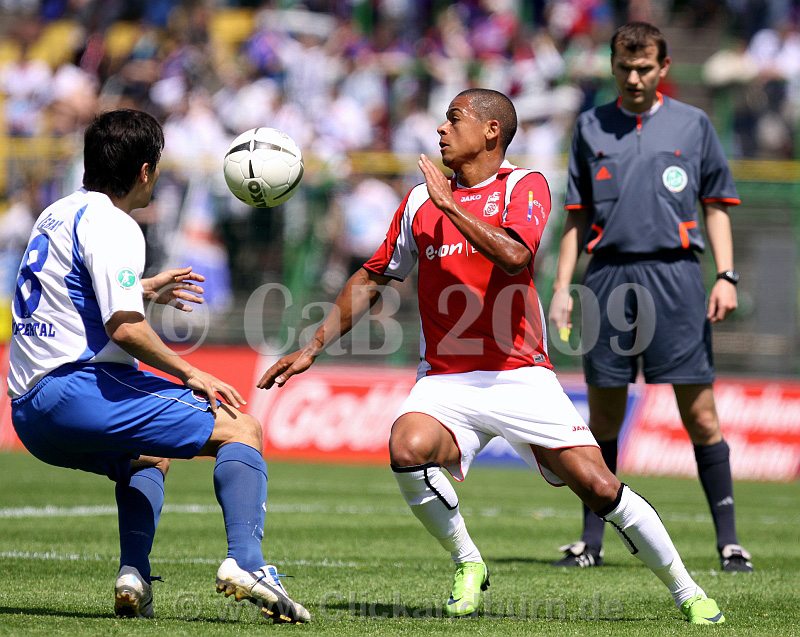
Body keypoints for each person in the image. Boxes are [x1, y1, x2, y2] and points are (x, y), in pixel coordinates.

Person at [260, 88, 725, 624]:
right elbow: (373, 277)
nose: (440, 129)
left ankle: (687, 590)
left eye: (453, 119)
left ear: (490, 132)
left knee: (600, 487)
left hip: (519, 374)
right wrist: (313, 347)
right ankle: (468, 562)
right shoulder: (418, 201)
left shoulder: (523, 185)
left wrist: (449, 206)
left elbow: (515, 255)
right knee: (406, 445)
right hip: (446, 380)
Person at [7, 109, 310, 624]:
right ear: (145, 171)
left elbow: (69, 291)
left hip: (28, 411)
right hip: (78, 388)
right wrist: (192, 372)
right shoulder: (116, 224)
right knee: (242, 427)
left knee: (148, 458)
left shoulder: (56, 213)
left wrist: (141, 289)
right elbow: (124, 329)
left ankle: (135, 576)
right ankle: (248, 562)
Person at [548, 22, 753, 573]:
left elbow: (715, 204)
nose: (634, 78)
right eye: (624, 68)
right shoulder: (591, 126)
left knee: (700, 414)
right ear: (613, 68)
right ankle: (590, 541)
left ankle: (729, 542)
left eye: (644, 69)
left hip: (677, 277)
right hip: (608, 278)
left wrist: (726, 275)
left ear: (664, 68)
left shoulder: (695, 123)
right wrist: (563, 287)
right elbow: (576, 217)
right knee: (605, 416)